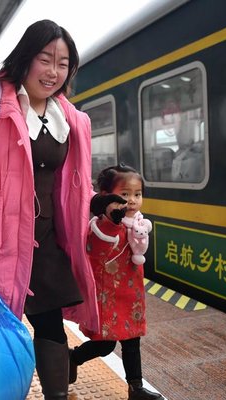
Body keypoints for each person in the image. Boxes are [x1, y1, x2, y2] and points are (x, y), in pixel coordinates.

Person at [0, 20, 101, 399]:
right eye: (46, 59)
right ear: (25, 57)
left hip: (47, 242)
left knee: (51, 326)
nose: (53, 72)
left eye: (63, 64)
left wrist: (97, 203)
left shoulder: (71, 119)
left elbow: (74, 183)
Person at [69, 164, 164, 400]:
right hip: (109, 297)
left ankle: (136, 388)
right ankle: (73, 357)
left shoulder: (138, 224)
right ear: (106, 196)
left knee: (132, 341)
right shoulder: (102, 225)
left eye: (137, 194)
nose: (132, 200)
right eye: (124, 194)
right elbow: (96, 250)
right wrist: (112, 222)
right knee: (106, 345)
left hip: (131, 297)